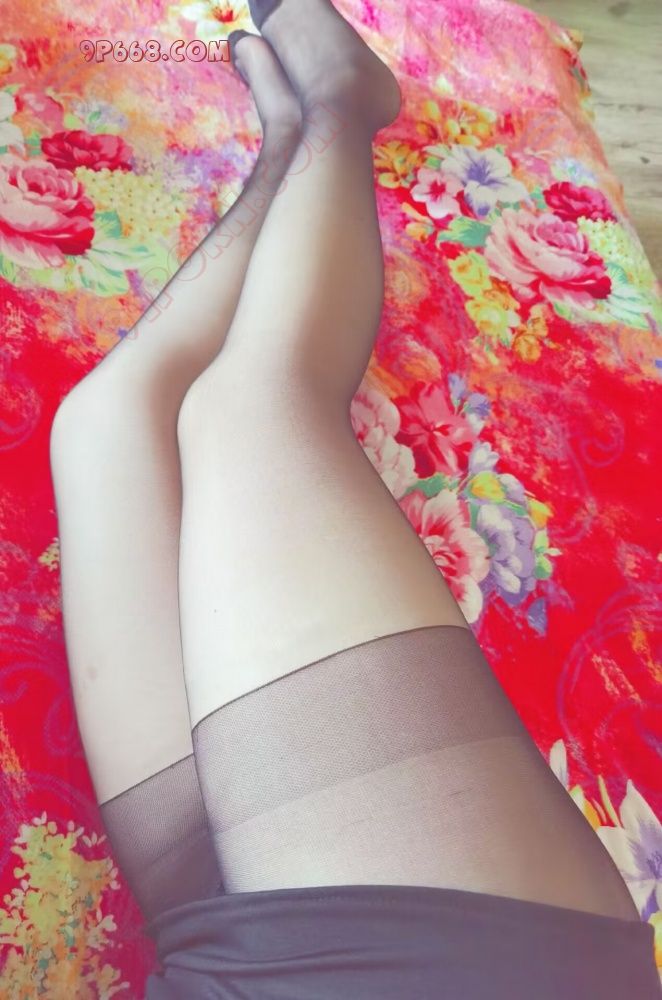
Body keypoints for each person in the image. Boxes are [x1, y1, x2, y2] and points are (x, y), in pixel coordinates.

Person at [49, 0, 660, 996]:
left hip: (212, 964)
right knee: (245, 411)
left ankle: (286, 144)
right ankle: (340, 103)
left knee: (103, 425)